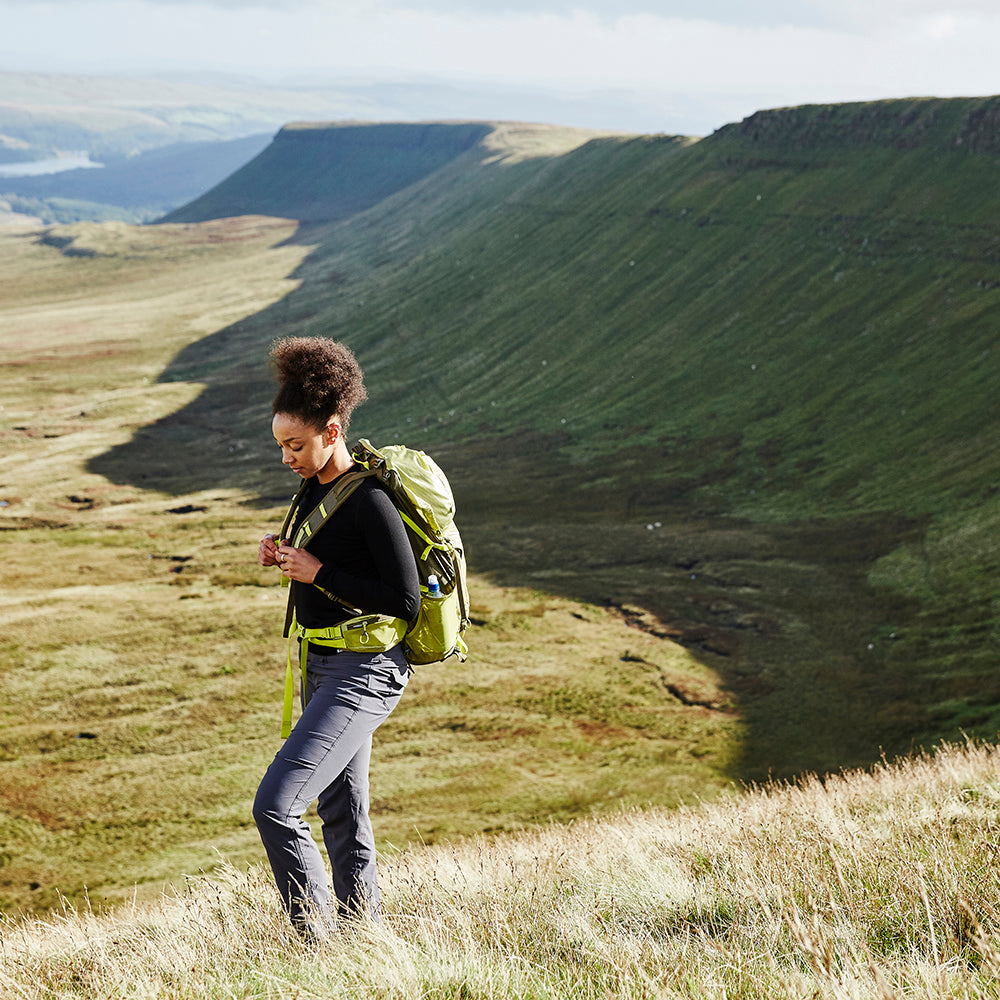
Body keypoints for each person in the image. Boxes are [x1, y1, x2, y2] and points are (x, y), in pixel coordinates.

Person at [253, 336, 420, 939]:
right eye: (280, 446)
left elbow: (402, 599)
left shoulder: (371, 499)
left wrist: (317, 571)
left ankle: (318, 944)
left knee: (276, 805)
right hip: (321, 666)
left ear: (333, 429)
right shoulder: (313, 493)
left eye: (295, 445)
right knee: (342, 813)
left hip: (366, 671)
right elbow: (326, 563)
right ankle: (363, 940)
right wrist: (287, 556)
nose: (286, 458)